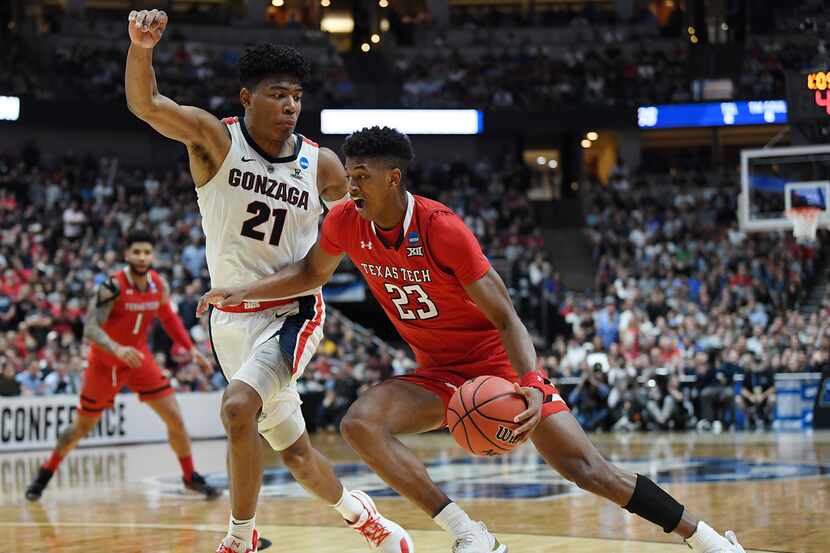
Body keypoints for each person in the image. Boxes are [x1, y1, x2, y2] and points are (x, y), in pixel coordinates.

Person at [198, 126, 747, 553]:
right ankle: (470, 533)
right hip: (437, 371)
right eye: (349, 174)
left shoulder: (441, 228)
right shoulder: (344, 221)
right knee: (360, 423)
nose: (349, 186)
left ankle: (707, 538)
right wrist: (241, 292)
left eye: (361, 176)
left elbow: (507, 317)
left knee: (589, 471)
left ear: (393, 178)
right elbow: (308, 275)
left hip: (497, 368)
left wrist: (530, 384)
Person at [125, 10, 411, 553]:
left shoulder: (320, 164)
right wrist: (142, 49)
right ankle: (363, 516)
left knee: (236, 407)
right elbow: (147, 105)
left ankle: (238, 538)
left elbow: (367, 218)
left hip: (293, 311)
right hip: (229, 320)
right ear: (247, 98)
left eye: (297, 96)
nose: (291, 106)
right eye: (278, 95)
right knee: (297, 454)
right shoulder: (215, 141)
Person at [25, 231, 218, 502]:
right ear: (127, 255)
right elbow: (90, 328)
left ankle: (190, 477)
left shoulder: (158, 285)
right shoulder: (111, 287)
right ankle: (45, 472)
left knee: (175, 418)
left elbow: (170, 319)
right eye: (136, 252)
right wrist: (117, 348)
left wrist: (191, 349)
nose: (142, 257)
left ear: (152, 255)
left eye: (146, 252)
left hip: (138, 360)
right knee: (78, 429)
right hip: (105, 362)